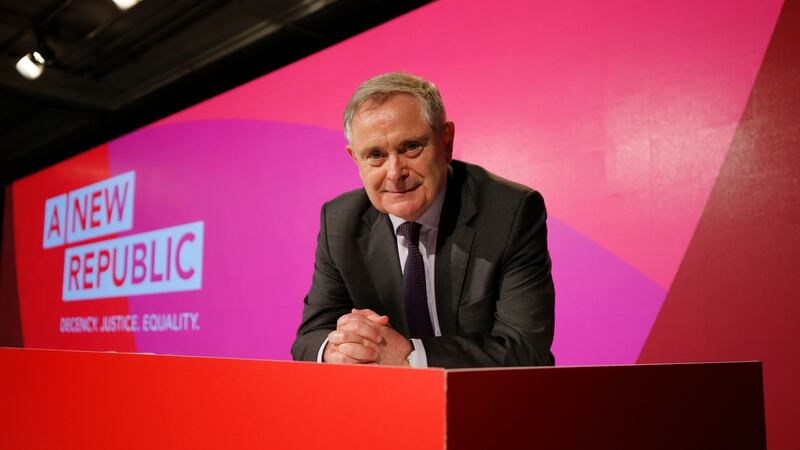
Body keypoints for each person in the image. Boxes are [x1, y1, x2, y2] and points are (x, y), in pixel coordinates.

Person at [291, 72, 554, 368]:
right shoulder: (340, 222)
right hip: (389, 407)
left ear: (446, 141)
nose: (395, 172)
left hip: (492, 403)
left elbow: (525, 348)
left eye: (411, 147)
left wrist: (408, 356)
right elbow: (310, 338)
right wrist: (341, 348)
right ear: (355, 159)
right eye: (376, 155)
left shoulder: (509, 212)